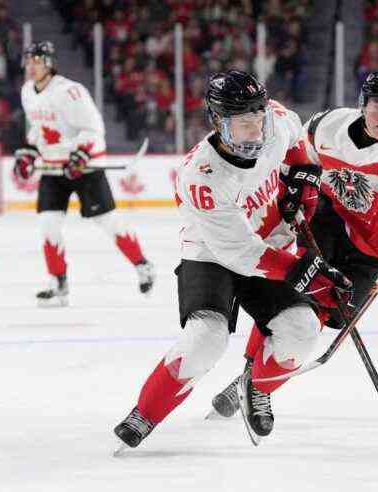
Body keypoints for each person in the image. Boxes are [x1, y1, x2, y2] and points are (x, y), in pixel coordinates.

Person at [208, 69, 378, 420]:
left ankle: (256, 382)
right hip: (327, 221)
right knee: (293, 301)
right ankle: (254, 381)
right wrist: (289, 186)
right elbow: (291, 154)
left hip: (372, 246)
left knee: (324, 320)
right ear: (363, 103)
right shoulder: (327, 123)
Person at [113, 70, 354, 448]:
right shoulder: (201, 175)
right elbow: (239, 252)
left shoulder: (273, 120)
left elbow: (298, 141)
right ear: (218, 121)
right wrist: (304, 272)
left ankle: (255, 388)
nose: (255, 131)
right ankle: (146, 411)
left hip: (268, 243)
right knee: (206, 338)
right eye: (242, 123)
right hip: (212, 254)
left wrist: (306, 179)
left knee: (302, 330)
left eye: (257, 119)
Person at [13, 41, 156, 307]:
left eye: (37, 61)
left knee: (108, 222)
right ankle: (59, 283)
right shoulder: (27, 92)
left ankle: (143, 265)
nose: (31, 67)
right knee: (48, 224)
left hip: (84, 168)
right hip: (53, 168)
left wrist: (80, 155)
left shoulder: (70, 91)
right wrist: (29, 151)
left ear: (50, 64)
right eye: (28, 61)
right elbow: (38, 130)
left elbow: (93, 129)